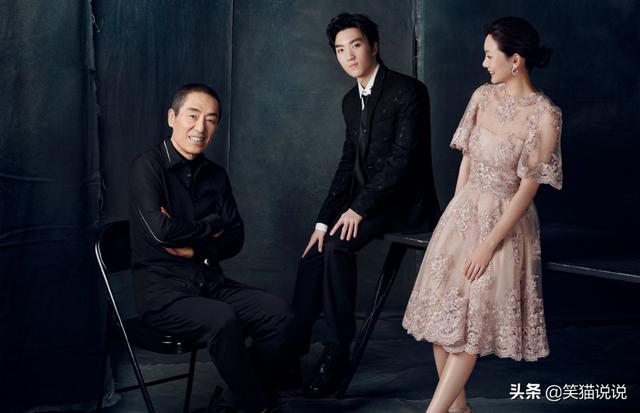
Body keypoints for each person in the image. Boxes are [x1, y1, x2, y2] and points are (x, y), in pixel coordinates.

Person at [402, 17, 562, 413]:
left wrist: (488, 244)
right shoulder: (482, 96)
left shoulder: (545, 115)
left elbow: (527, 189)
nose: (484, 63)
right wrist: (457, 220)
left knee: (467, 329)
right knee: (440, 324)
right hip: (464, 212)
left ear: (515, 60)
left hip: (507, 224)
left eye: (490, 56)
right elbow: (468, 162)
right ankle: (459, 410)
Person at [290, 13, 440, 398]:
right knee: (315, 251)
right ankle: (291, 350)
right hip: (366, 203)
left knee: (337, 247)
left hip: (404, 206)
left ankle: (337, 350)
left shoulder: (409, 91)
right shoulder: (349, 101)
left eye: (355, 45)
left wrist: (358, 208)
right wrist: (323, 221)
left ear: (374, 46)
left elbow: (404, 160)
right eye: (340, 50)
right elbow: (347, 164)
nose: (349, 56)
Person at [128, 83, 292, 413]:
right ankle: (259, 407)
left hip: (209, 282)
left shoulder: (216, 175)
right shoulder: (147, 167)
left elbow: (236, 237)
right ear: (172, 117)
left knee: (279, 315)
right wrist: (212, 224)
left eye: (211, 119)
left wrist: (195, 250)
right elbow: (162, 233)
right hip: (163, 294)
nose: (200, 127)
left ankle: (232, 402)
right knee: (224, 319)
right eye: (193, 115)